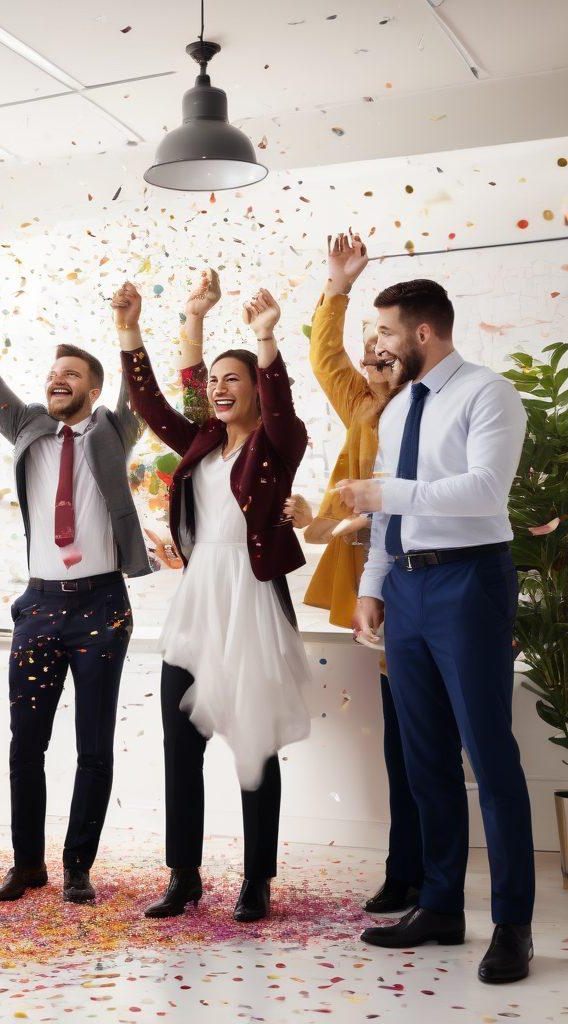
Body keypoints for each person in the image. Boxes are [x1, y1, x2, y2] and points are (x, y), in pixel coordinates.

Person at [0, 247, 150, 905]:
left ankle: (77, 865)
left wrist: (130, 330)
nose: (57, 379)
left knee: (94, 748)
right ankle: (28, 865)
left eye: (71, 373)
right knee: (27, 744)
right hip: (42, 606)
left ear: (93, 389)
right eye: (53, 371)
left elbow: (154, 396)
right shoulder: (25, 425)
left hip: (103, 606)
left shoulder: (114, 430)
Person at [341, 278, 534, 984]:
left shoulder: (489, 393)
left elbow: (486, 490)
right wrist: (372, 587)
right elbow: (389, 518)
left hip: (470, 580)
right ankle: (442, 907)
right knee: (424, 758)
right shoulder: (396, 414)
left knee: (490, 754)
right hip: (409, 587)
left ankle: (513, 925)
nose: (376, 345)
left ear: (423, 333)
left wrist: (384, 494)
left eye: (386, 332)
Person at [116, 277, 311, 923]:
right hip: (198, 603)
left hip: (251, 602)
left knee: (253, 745)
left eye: (236, 380)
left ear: (257, 387)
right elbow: (149, 402)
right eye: (215, 382)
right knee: (181, 743)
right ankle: (184, 876)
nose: (221, 389)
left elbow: (281, 406)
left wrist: (265, 338)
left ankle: (257, 880)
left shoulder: (279, 442)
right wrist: (140, 329)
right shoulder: (200, 442)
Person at [300, 232, 424, 914]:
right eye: (371, 341)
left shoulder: (444, 408)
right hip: (380, 587)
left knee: (426, 737)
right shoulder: (365, 404)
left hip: (437, 581)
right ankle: (405, 867)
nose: (375, 351)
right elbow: (324, 356)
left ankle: (424, 868)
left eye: (387, 339)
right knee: (402, 738)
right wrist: (337, 285)